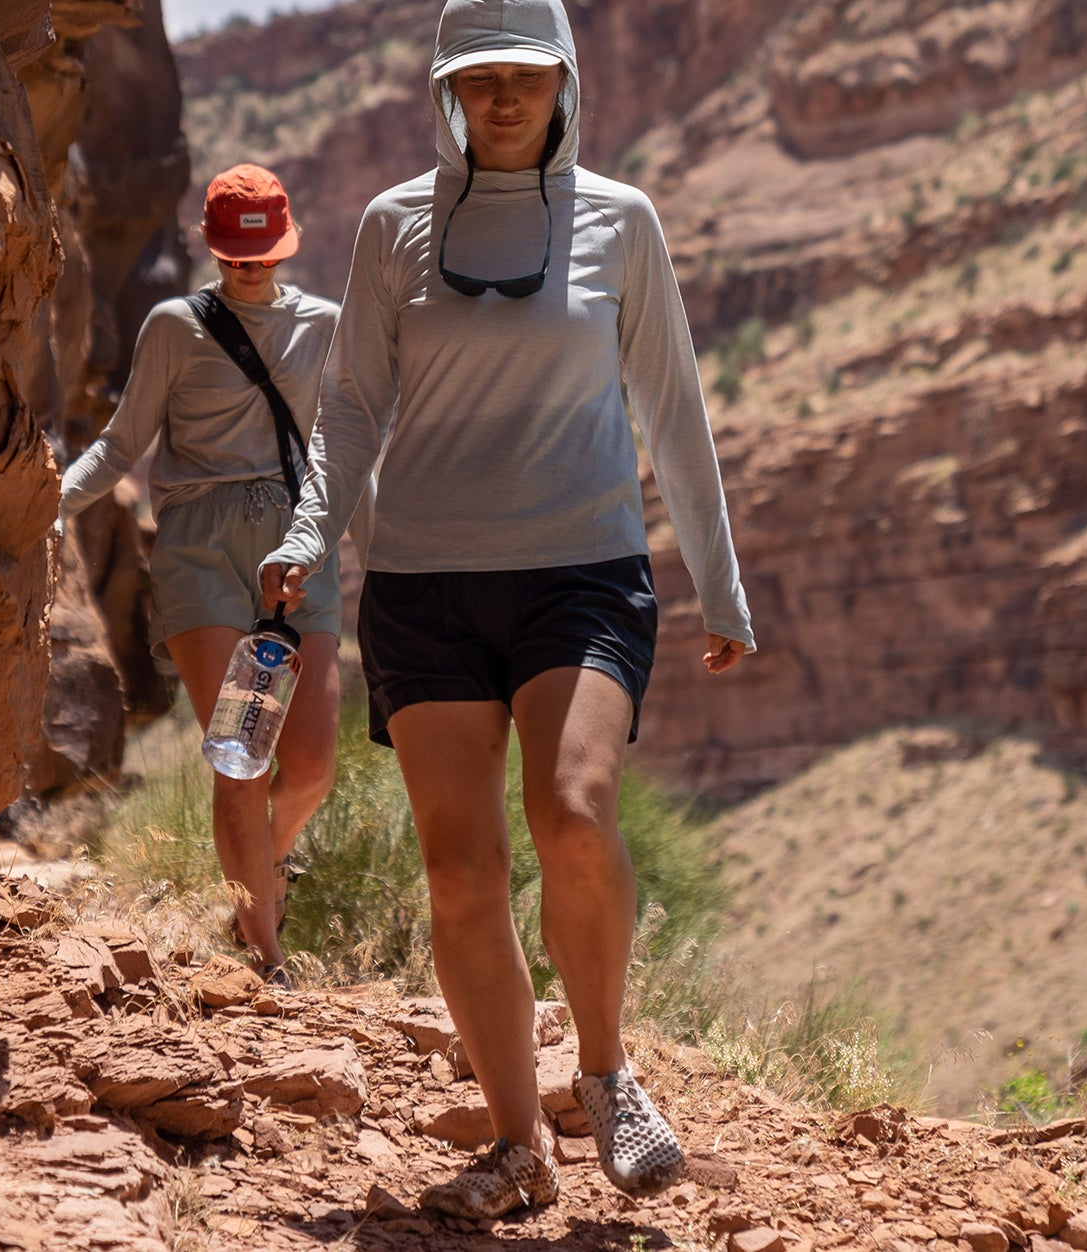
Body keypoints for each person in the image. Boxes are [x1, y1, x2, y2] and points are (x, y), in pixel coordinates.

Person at [258, 0, 755, 1221]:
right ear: (444, 91)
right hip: (423, 586)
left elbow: (672, 407)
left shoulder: (619, 221)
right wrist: (307, 527)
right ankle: (516, 1140)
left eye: (521, 75)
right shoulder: (392, 229)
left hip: (581, 570)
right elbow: (354, 406)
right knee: (458, 867)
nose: (498, 97)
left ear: (564, 81)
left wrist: (719, 581)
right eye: (474, 77)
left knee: (573, 811)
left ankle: (605, 1072)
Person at [60, 165, 343, 984]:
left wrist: (322, 540)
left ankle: (254, 880)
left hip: (297, 547)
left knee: (313, 766)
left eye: (262, 256)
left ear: (285, 246)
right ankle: (267, 960)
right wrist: (53, 503)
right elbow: (120, 445)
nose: (250, 269)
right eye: (236, 257)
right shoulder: (174, 326)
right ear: (215, 250)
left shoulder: (324, 326)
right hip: (202, 548)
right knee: (240, 760)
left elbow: (342, 450)